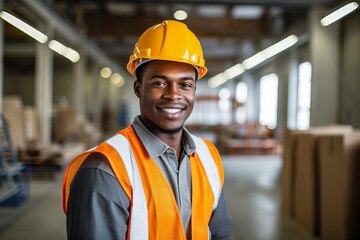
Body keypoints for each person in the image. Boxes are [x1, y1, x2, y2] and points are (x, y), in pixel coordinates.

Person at [63, 20, 233, 240]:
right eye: (160, 83)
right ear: (138, 88)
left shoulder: (209, 156)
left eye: (185, 84)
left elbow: (220, 232)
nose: (174, 95)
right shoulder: (105, 170)